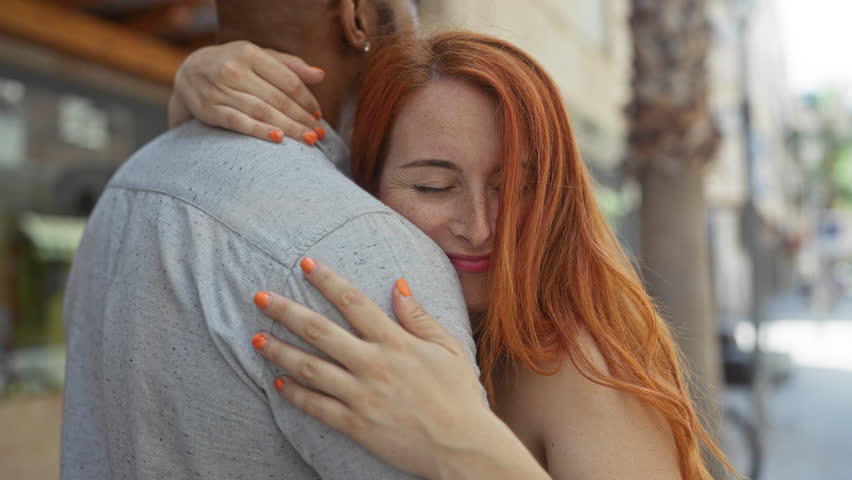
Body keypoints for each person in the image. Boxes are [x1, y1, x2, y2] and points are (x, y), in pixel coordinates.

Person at [171, 32, 735, 479]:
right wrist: (189, 91)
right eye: (433, 188)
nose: (480, 227)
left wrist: (463, 445)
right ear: (363, 189)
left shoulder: (575, 366)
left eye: (514, 187)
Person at [59, 1, 492, 479]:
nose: (479, 227)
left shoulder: (126, 187)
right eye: (435, 186)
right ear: (357, 18)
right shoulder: (366, 246)